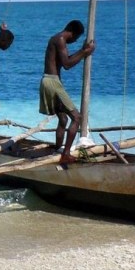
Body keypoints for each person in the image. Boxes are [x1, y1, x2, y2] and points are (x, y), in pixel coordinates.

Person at [39, 19, 96, 163]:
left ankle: (58, 149)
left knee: (63, 118)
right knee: (77, 118)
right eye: (76, 38)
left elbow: (67, 59)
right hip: (52, 81)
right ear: (72, 32)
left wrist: (83, 51)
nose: (74, 41)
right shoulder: (60, 40)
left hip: (48, 80)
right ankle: (65, 154)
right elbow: (67, 64)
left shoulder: (57, 39)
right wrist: (84, 52)